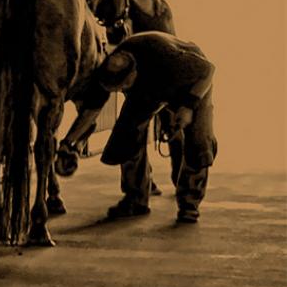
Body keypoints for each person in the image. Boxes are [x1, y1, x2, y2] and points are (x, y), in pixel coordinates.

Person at [56, 32, 217, 224]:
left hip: (192, 83)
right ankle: (136, 198)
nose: (120, 91)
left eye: (123, 87)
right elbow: (92, 110)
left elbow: (208, 69)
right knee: (127, 134)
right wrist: (68, 142)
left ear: (133, 73)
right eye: (116, 90)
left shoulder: (166, 58)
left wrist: (188, 105)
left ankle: (189, 204)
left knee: (199, 140)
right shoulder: (108, 70)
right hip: (147, 90)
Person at [125, 0, 177, 196]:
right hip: (142, 77)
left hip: (167, 74)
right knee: (136, 132)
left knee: (175, 129)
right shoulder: (129, 6)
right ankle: (142, 184)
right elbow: (128, 41)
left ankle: (181, 180)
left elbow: (173, 37)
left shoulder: (163, 7)